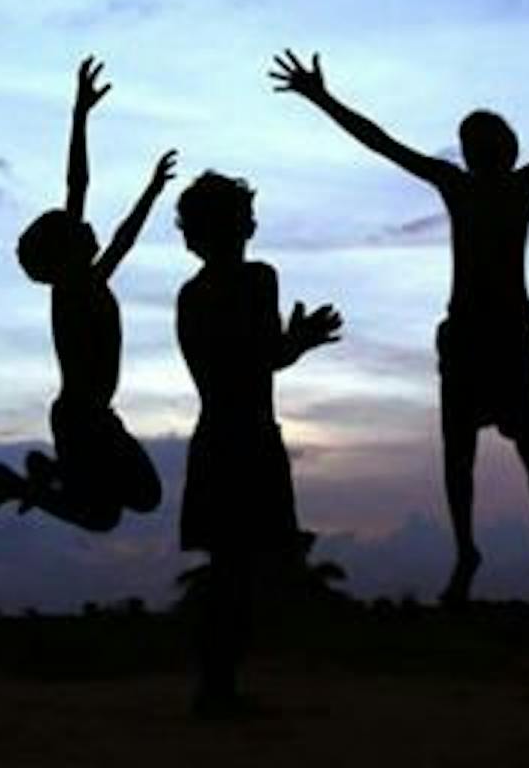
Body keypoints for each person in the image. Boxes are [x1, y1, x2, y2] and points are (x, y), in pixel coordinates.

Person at [270, 5, 529, 604]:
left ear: (501, 148)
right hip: (476, 336)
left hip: (504, 335)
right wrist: (323, 99)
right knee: (471, 457)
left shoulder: (508, 185)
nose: (479, 148)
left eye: (485, 141)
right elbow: (384, 143)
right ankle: (477, 558)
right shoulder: (471, 185)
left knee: (524, 454)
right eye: (475, 142)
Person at [0, 57, 172, 535]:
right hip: (82, 419)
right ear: (66, 251)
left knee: (138, 499)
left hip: (93, 416)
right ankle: (15, 483)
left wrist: (152, 191)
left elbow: (124, 239)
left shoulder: (91, 281)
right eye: (77, 228)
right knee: (110, 512)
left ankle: (46, 475)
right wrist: (79, 115)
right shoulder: (73, 287)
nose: (87, 225)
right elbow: (77, 183)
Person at [174, 171, 341, 717]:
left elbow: (240, 360)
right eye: (243, 217)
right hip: (248, 438)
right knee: (244, 570)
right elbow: (260, 357)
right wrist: (298, 342)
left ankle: (216, 685)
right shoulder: (256, 280)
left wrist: (292, 343)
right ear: (241, 226)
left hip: (218, 436)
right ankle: (217, 688)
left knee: (233, 569)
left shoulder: (191, 295)